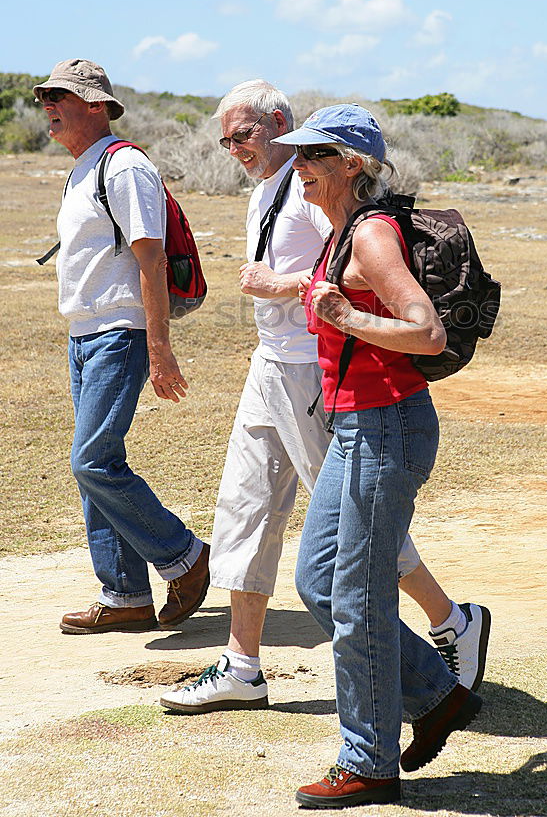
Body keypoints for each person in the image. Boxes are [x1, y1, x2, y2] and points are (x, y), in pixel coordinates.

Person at [160, 81, 489, 716]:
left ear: (281, 125)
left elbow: (339, 273)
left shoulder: (323, 197)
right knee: (245, 503)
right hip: (272, 366)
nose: (235, 148)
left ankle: (450, 622)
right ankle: (241, 663)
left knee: (351, 532)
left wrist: (280, 285)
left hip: (320, 374)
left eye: (245, 135)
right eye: (225, 139)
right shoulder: (272, 189)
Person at [271, 104, 482, 808]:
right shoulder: (342, 236)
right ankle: (433, 696)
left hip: (384, 429)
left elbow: (422, 331)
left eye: (312, 157)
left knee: (356, 595)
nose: (296, 167)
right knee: (321, 581)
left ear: (351, 164)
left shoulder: (371, 236)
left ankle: (367, 759)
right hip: (359, 429)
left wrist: (348, 317)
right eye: (296, 155)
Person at [35, 59, 210, 635]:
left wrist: (159, 346)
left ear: (96, 104)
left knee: (91, 460)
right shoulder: (83, 169)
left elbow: (151, 258)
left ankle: (185, 556)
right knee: (97, 466)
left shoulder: (126, 165)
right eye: (45, 97)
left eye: (59, 96)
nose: (47, 106)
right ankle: (126, 595)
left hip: (119, 333)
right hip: (84, 335)